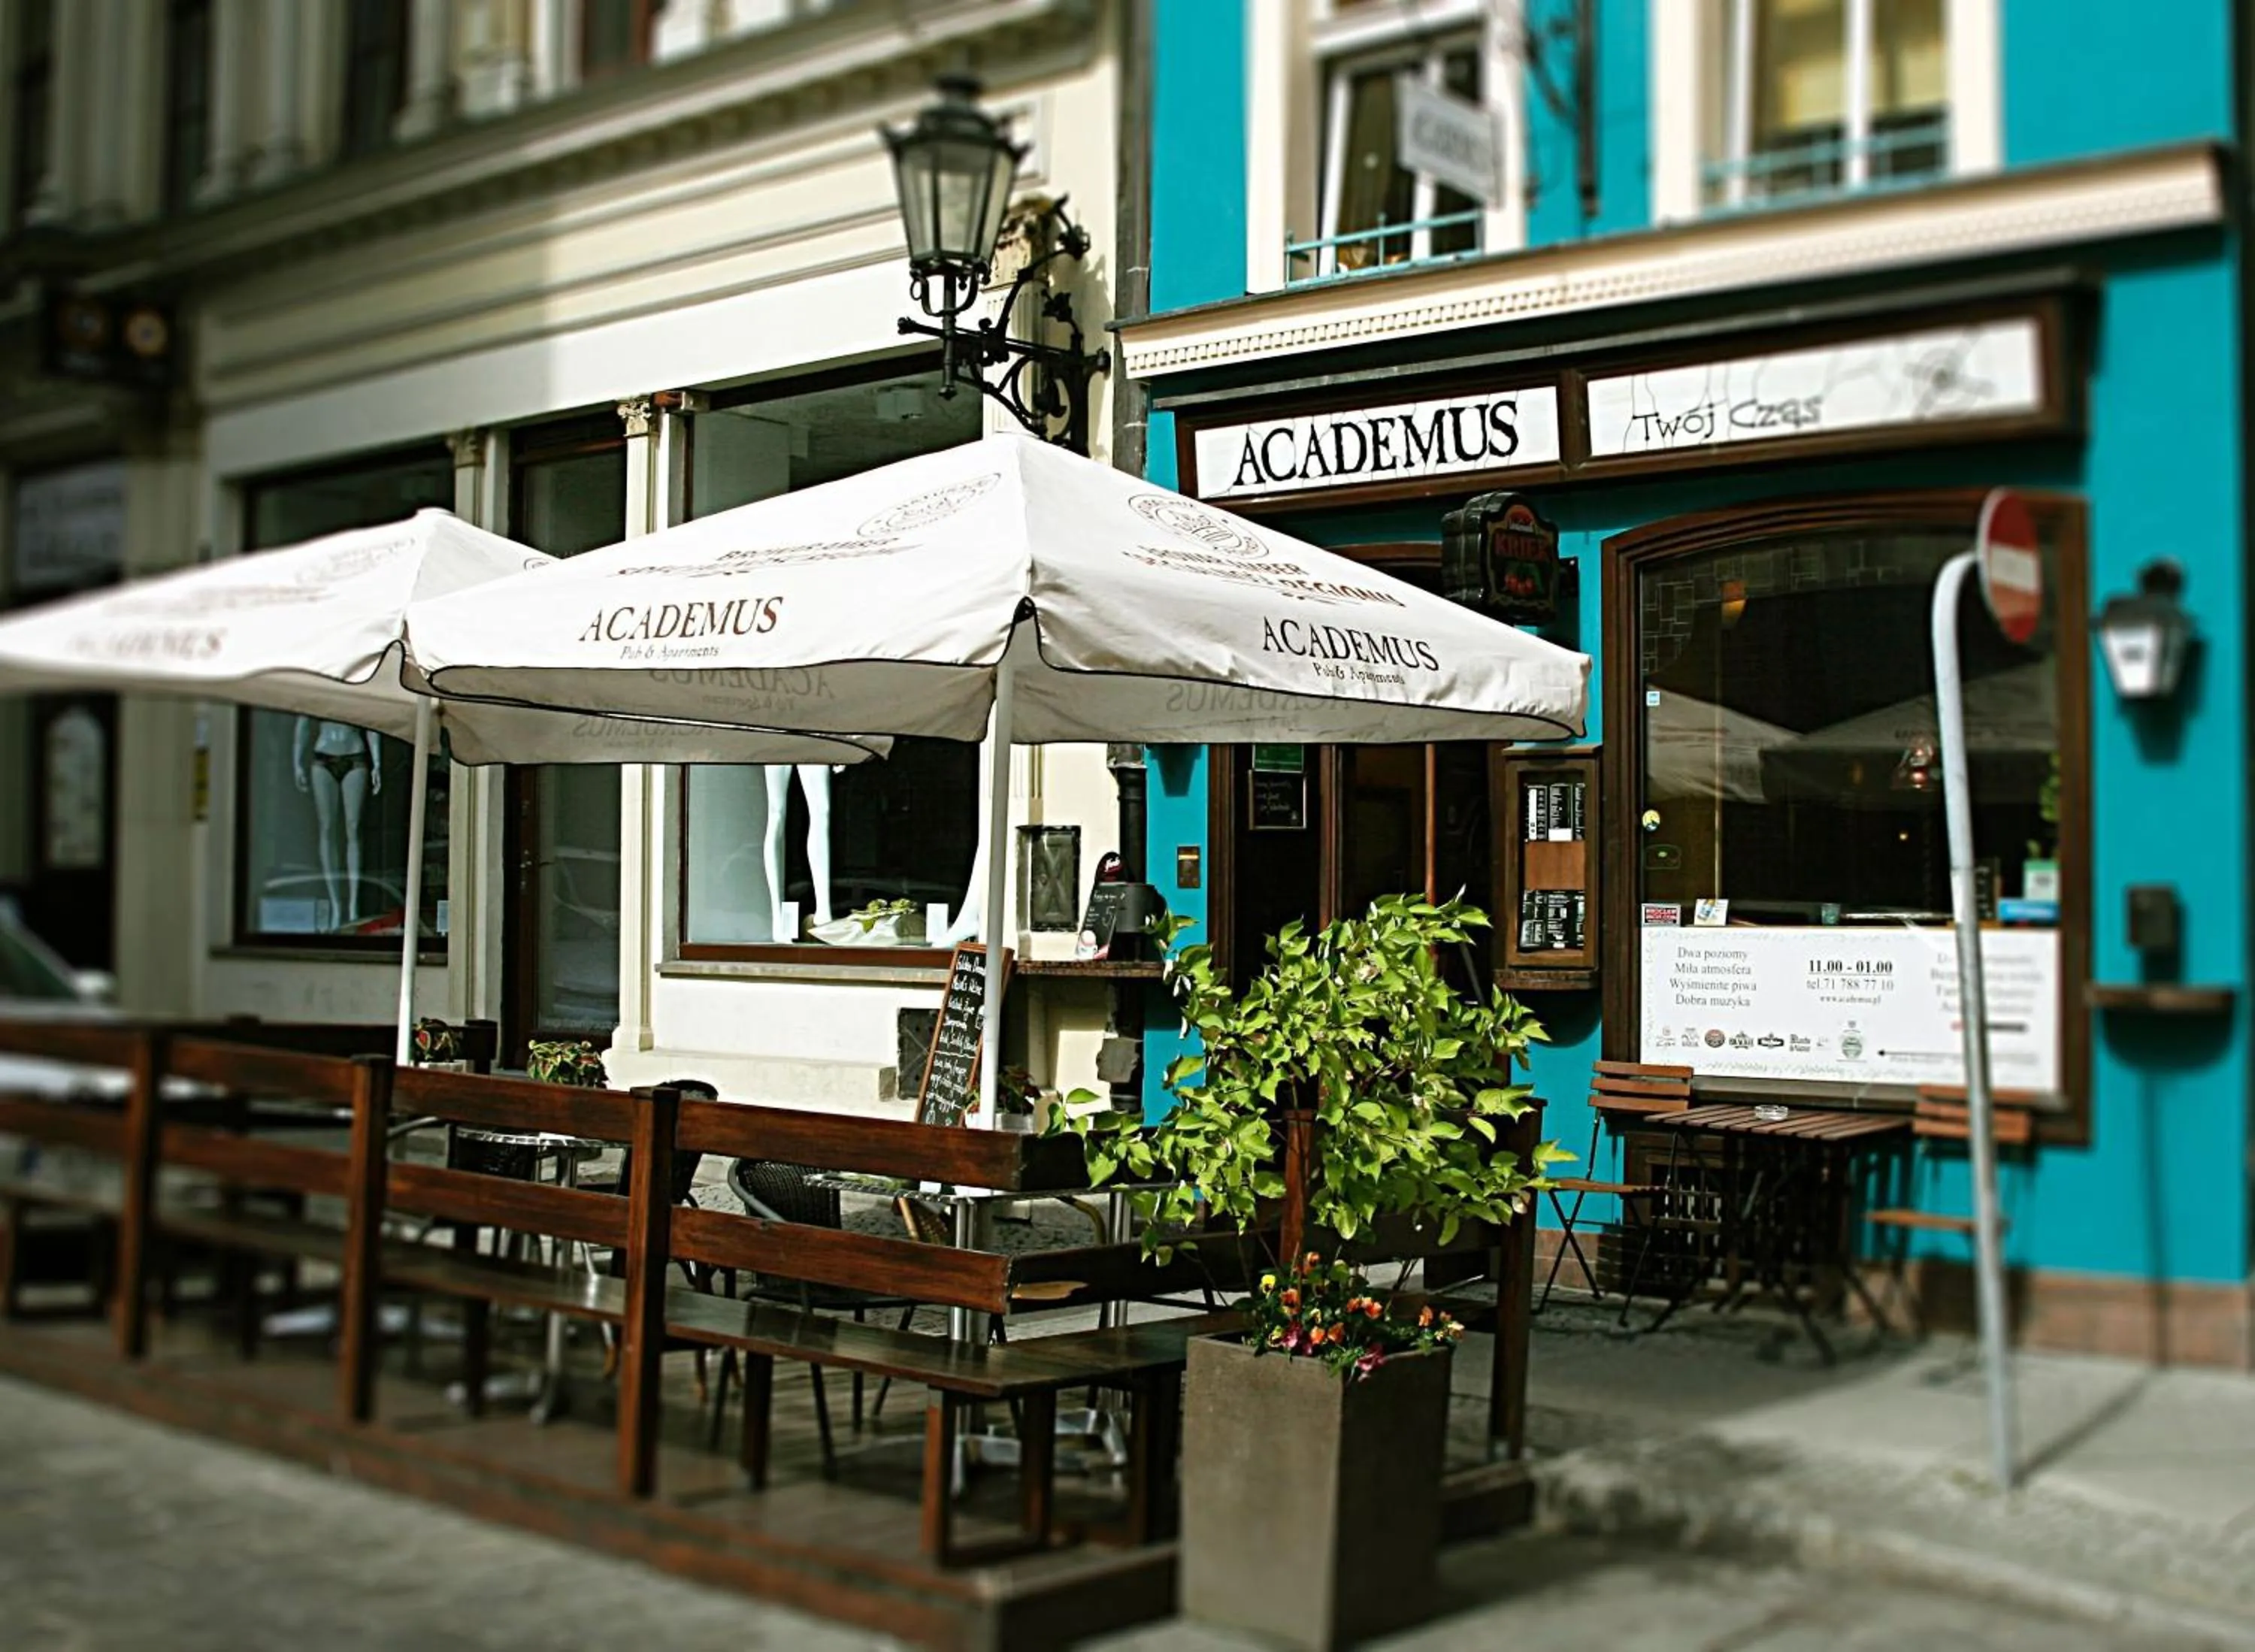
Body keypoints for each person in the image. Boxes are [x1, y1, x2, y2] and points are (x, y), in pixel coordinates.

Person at [293, 718, 382, 928]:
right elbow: (303, 722)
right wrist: (296, 763)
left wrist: (377, 763)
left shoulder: (360, 684)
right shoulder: (319, 686)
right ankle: (335, 904)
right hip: (323, 755)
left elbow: (373, 723)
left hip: (355, 754)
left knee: (353, 828)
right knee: (327, 828)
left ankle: (353, 904)